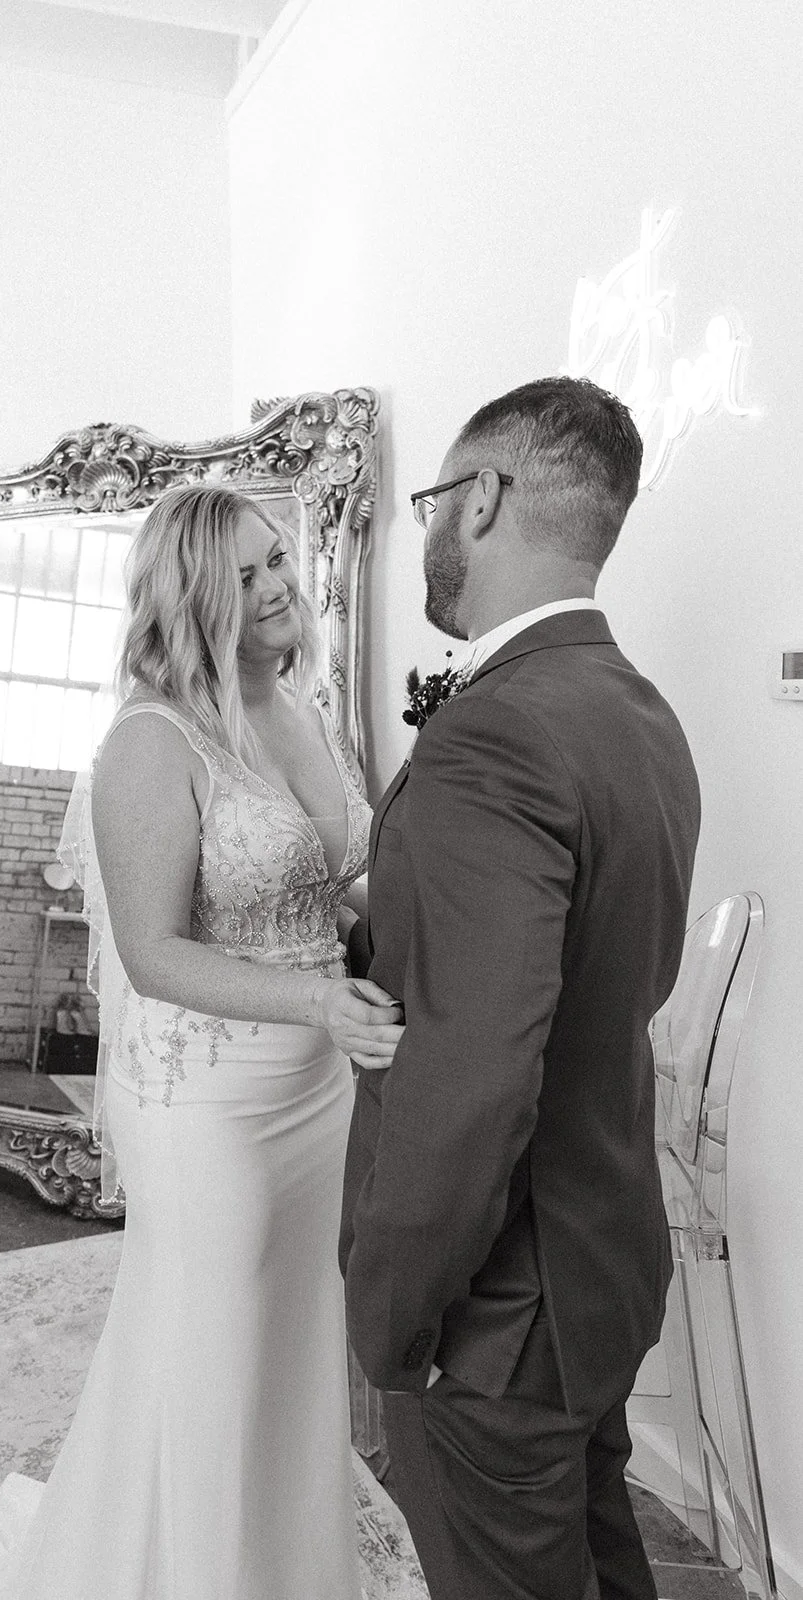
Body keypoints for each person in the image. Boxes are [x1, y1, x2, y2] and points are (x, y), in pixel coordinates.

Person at [0, 482, 403, 1600]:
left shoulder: (294, 713)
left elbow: (320, 889)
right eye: (246, 571)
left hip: (317, 1093)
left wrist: (372, 942)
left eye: (277, 561)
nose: (276, 585)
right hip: (211, 1101)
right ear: (191, 592)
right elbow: (156, 952)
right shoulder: (147, 745)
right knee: (207, 1351)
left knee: (296, 1338)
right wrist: (316, 1002)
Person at [340, 377, 702, 1600]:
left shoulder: (493, 734)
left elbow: (469, 1079)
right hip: (600, 1261)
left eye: (436, 498)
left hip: (496, 1313)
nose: (428, 531)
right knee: (600, 1557)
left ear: (483, 497)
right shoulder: (637, 712)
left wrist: (394, 1317)